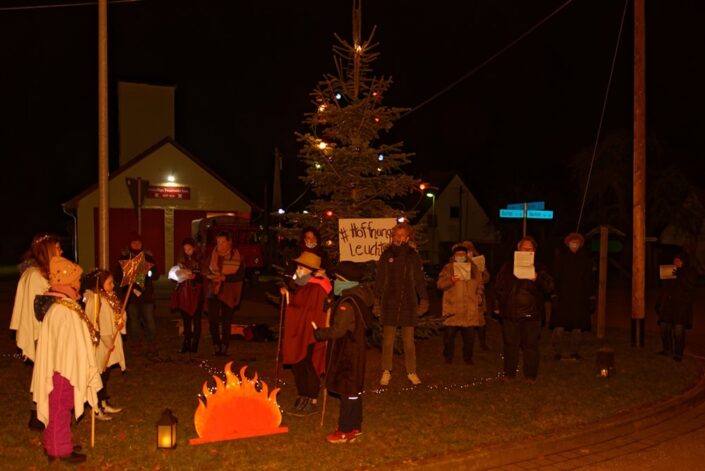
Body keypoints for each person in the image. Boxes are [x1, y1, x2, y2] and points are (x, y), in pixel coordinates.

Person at [31, 256, 102, 464]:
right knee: (60, 407)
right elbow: (68, 342)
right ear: (67, 282)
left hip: (62, 366)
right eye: (77, 281)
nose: (79, 284)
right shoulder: (62, 309)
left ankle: (54, 441)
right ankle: (59, 449)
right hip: (62, 368)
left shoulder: (64, 306)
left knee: (59, 406)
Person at [313, 261, 374, 443]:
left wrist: (319, 332)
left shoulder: (347, 303)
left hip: (348, 352)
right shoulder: (358, 297)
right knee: (354, 391)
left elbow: (338, 330)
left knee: (348, 390)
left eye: (337, 279)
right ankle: (355, 425)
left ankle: (345, 430)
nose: (334, 283)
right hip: (357, 350)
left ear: (345, 281)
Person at [9, 233, 62, 430]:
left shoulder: (44, 273)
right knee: (43, 375)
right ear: (48, 251)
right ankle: (38, 416)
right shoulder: (34, 276)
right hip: (41, 333)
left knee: (49, 375)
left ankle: (47, 414)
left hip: (49, 332)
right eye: (57, 248)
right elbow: (38, 310)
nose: (61, 251)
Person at [374, 222, 429, 386]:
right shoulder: (387, 255)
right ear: (393, 237)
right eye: (397, 235)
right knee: (388, 340)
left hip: (409, 303)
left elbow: (419, 279)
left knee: (409, 341)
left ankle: (411, 371)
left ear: (407, 237)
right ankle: (386, 370)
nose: (399, 238)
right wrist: (376, 300)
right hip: (389, 302)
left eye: (402, 235)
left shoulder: (413, 255)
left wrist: (424, 299)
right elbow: (380, 279)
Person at [494, 236, 554, 383]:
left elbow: (550, 287)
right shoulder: (508, 266)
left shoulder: (540, 267)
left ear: (534, 251)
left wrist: (537, 278)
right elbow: (498, 287)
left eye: (530, 249)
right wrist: (497, 306)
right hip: (510, 313)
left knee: (531, 346)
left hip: (532, 314)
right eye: (524, 248)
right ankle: (509, 374)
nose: (527, 251)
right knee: (510, 345)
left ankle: (530, 375)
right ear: (518, 250)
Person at [279, 252, 331, 416]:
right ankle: (303, 395)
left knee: (306, 363)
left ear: (310, 270)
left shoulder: (316, 288)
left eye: (301, 267)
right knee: (299, 364)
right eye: (298, 267)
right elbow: (300, 304)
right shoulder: (305, 285)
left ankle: (310, 397)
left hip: (308, 332)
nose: (298, 270)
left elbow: (308, 311)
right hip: (303, 330)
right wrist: (288, 295)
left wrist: (289, 299)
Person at [83, 269, 126, 421]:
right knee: (98, 373)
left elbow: (116, 316)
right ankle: (96, 407)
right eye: (109, 283)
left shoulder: (109, 297)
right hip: (100, 344)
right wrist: (107, 342)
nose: (112, 286)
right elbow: (94, 322)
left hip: (109, 342)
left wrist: (121, 320)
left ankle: (103, 402)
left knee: (105, 374)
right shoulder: (94, 300)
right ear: (100, 284)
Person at [437, 242, 489, 365]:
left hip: (469, 308)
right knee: (449, 336)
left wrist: (479, 294)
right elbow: (440, 284)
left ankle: (468, 358)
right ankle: (448, 356)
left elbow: (480, 284)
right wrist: (451, 280)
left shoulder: (474, 268)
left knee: (469, 338)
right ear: (454, 256)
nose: (460, 256)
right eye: (458, 254)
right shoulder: (448, 268)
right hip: (453, 307)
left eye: (462, 254)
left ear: (466, 255)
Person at [113, 232, 160, 357]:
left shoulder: (147, 258)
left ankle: (152, 344)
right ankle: (136, 345)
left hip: (146, 296)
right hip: (131, 297)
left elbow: (156, 275)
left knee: (149, 321)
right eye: (134, 242)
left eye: (138, 242)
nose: (136, 244)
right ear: (130, 244)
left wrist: (148, 273)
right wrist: (127, 275)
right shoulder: (123, 258)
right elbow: (117, 276)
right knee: (133, 322)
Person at [550, 232, 595, 361]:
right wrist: (554, 295)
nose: (574, 245)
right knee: (559, 326)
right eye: (572, 242)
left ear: (580, 245)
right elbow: (555, 278)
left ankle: (574, 351)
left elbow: (589, 280)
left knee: (577, 327)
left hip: (579, 299)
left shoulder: (585, 260)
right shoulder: (561, 259)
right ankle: (557, 351)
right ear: (568, 243)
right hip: (562, 297)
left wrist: (591, 297)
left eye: (577, 243)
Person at [205, 230, 244, 356]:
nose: (220, 244)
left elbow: (240, 275)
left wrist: (225, 278)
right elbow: (206, 268)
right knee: (213, 319)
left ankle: (224, 344)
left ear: (229, 242)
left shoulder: (236, 256)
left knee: (226, 320)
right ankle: (216, 343)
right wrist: (210, 276)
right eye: (218, 241)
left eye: (223, 241)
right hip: (214, 288)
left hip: (228, 290)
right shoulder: (213, 254)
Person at [655, 252, 698, 362]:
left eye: (678, 261)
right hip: (668, 305)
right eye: (674, 261)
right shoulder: (670, 271)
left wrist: (680, 275)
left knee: (678, 331)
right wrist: (659, 302)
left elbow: (689, 286)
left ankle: (678, 354)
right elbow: (664, 288)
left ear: (684, 262)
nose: (676, 263)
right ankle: (667, 350)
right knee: (664, 328)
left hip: (681, 307)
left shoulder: (691, 271)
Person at [170, 238, 204, 354]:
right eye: (185, 249)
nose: (187, 251)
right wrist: (176, 276)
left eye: (189, 249)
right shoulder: (181, 260)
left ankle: (195, 344)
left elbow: (204, 277)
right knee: (186, 320)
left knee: (196, 320)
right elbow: (176, 275)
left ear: (194, 248)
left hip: (196, 294)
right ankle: (186, 343)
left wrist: (195, 277)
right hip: (184, 294)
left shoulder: (200, 260)